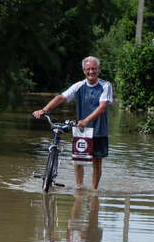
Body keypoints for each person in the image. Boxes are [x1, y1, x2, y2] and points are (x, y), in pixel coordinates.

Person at [33, 56, 112, 190]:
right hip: (82, 130)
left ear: (98, 69)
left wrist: (86, 120)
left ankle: (94, 191)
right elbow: (61, 98)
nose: (91, 71)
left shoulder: (105, 85)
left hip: (98, 129)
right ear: (83, 70)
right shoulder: (79, 86)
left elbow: (102, 107)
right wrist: (43, 110)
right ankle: (79, 187)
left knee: (97, 162)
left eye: (93, 68)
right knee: (78, 160)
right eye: (88, 69)